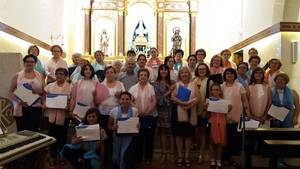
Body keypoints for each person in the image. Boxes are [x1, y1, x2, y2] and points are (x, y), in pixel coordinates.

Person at [171, 67, 200, 167]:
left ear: (189, 74)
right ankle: (180, 156)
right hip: (178, 111)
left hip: (190, 111)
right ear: (179, 75)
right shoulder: (177, 84)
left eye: (186, 73)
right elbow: (172, 96)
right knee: (178, 135)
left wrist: (189, 106)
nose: (184, 74)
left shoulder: (194, 85)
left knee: (188, 135)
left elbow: (198, 98)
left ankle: (186, 156)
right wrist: (182, 103)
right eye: (182, 73)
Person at [43, 68, 72, 166]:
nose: (59, 76)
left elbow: (72, 100)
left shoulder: (71, 87)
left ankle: (62, 155)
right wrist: (44, 103)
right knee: (52, 135)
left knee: (62, 136)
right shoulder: (49, 86)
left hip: (64, 115)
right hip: (50, 114)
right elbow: (44, 98)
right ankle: (53, 156)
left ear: (66, 76)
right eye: (57, 74)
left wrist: (69, 106)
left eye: (62, 74)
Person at [8, 54, 45, 131]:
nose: (29, 63)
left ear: (35, 63)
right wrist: (19, 101)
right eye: (27, 61)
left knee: (34, 130)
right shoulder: (17, 75)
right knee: (22, 130)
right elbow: (10, 92)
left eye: (32, 61)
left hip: (36, 107)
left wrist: (37, 92)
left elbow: (43, 92)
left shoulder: (40, 76)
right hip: (21, 107)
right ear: (24, 63)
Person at [221, 68, 249, 166]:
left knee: (236, 139)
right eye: (227, 73)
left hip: (238, 116)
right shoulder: (221, 86)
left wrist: (247, 113)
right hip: (224, 116)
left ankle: (235, 159)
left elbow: (245, 100)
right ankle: (225, 158)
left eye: (231, 73)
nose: (229, 75)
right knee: (225, 138)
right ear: (224, 75)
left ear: (234, 75)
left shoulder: (240, 86)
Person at [129, 68, 157, 165]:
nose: (143, 77)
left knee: (149, 138)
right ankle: (139, 157)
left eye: (145, 75)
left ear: (148, 77)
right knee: (138, 138)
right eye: (141, 75)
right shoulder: (133, 88)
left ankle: (148, 157)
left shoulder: (151, 87)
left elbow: (154, 101)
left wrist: (147, 111)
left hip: (149, 116)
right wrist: (138, 111)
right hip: (137, 116)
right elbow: (130, 101)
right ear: (138, 76)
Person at [108, 92, 139, 169]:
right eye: (123, 99)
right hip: (117, 138)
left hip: (130, 139)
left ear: (130, 100)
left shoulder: (135, 111)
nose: (124, 101)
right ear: (119, 100)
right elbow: (108, 126)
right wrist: (113, 128)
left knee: (126, 156)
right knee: (116, 156)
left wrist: (138, 127)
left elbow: (138, 126)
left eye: (127, 99)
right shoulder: (113, 111)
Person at [153, 64, 175, 163]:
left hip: (171, 109)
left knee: (171, 132)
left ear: (168, 71)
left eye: (165, 70)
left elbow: (175, 96)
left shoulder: (173, 82)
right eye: (161, 70)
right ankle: (163, 153)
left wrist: (170, 90)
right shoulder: (155, 83)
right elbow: (157, 99)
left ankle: (171, 153)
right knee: (162, 132)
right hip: (161, 110)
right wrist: (168, 92)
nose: (163, 71)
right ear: (159, 71)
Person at [206, 83, 230, 169]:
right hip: (212, 123)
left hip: (221, 123)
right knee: (212, 142)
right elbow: (206, 113)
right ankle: (212, 159)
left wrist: (229, 108)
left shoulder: (223, 101)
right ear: (211, 91)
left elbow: (227, 111)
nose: (215, 91)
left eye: (217, 89)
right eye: (213, 89)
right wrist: (206, 107)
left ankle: (218, 160)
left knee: (220, 143)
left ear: (220, 91)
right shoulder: (208, 100)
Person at [193, 63, 210, 164]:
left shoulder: (209, 81)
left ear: (207, 70)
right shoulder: (194, 80)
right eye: (200, 69)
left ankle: (201, 155)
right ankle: (197, 149)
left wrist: (206, 110)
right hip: (194, 110)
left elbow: (210, 96)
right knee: (195, 132)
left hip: (204, 111)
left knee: (203, 134)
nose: (202, 71)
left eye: (204, 69)